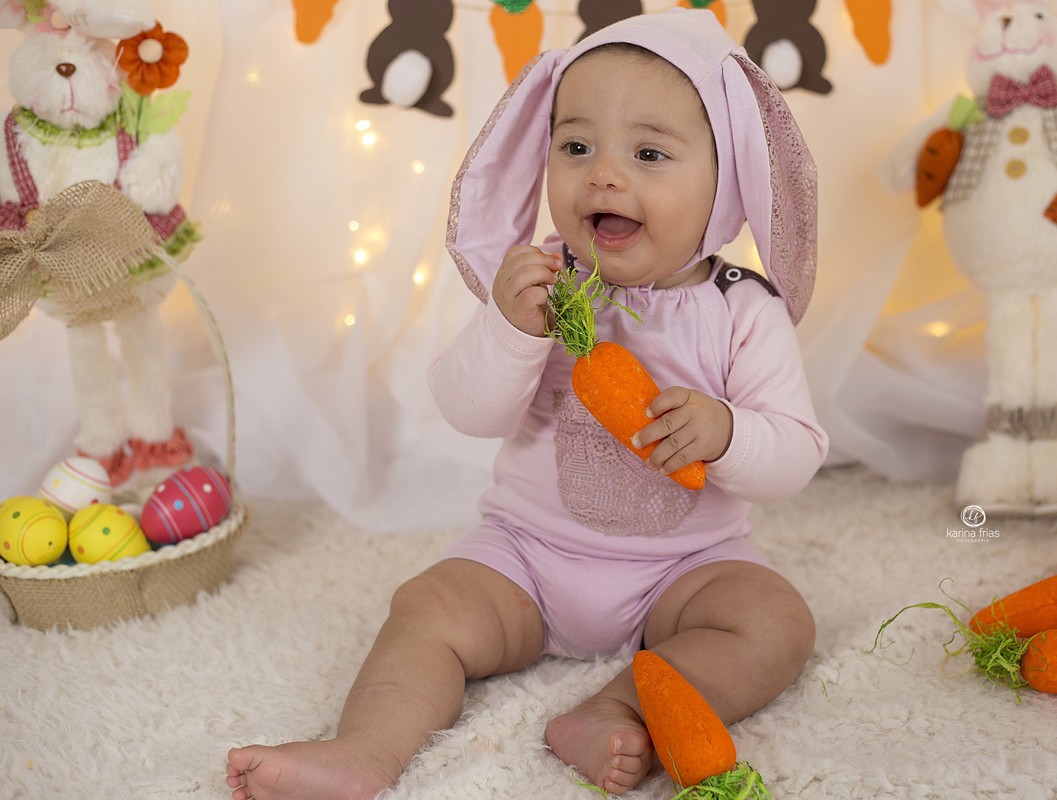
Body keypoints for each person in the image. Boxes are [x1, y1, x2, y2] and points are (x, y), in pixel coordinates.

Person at [225, 9, 826, 799]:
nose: (603, 175)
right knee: (427, 606)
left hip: (685, 571)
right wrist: (511, 331)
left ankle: (610, 711)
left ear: (728, 181)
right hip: (527, 559)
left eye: (649, 153)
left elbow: (795, 452)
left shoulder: (744, 309)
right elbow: (466, 409)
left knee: (776, 623)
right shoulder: (542, 283)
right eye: (576, 146)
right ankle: (364, 751)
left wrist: (728, 434)